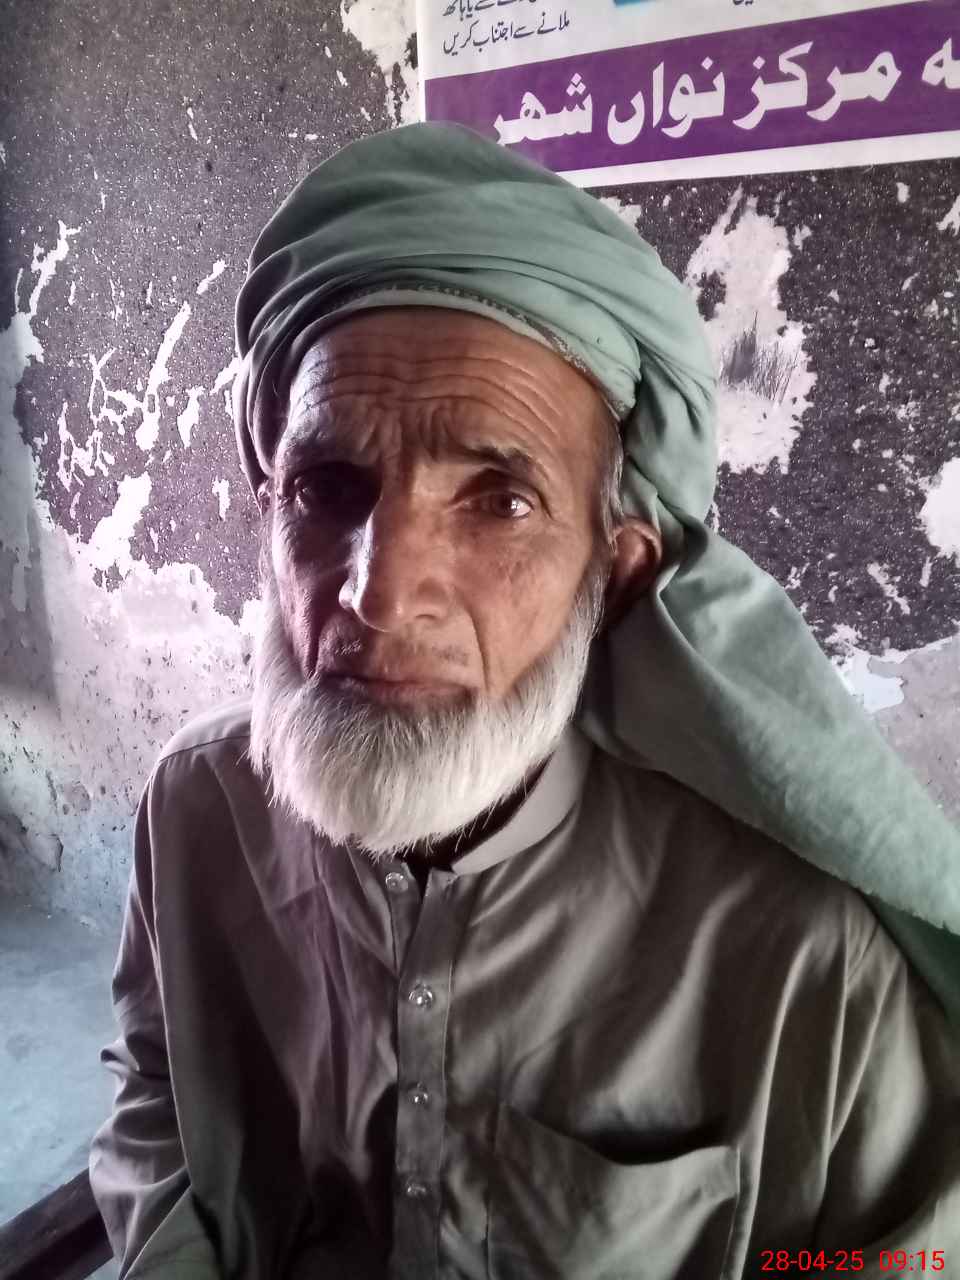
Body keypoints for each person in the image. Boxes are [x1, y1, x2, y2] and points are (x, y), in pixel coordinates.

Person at [90, 123, 960, 1279]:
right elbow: (157, 1083)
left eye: (500, 500)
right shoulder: (195, 810)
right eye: (325, 486)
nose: (379, 591)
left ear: (618, 572)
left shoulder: (804, 948)